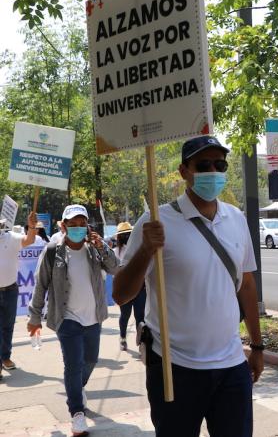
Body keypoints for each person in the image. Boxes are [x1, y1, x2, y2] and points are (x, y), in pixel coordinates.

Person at [113, 135, 264, 437]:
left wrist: (257, 346)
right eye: (202, 164)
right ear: (184, 171)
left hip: (231, 366)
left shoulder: (235, 218)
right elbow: (121, 294)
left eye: (219, 164)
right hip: (174, 368)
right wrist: (145, 249)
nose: (212, 171)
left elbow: (246, 285)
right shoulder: (156, 220)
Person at [28, 204, 118, 436]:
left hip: (93, 318)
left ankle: (78, 388)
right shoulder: (52, 251)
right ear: (63, 225)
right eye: (72, 224)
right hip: (67, 319)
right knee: (73, 365)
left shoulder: (94, 249)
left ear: (87, 226)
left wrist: (103, 247)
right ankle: (77, 413)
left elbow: (116, 269)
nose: (78, 228)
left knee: (90, 360)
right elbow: (41, 285)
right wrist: (34, 316)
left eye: (82, 224)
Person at [0, 213, 37, 378]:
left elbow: (29, 240)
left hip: (10, 290)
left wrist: (32, 226)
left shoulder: (12, 237)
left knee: (8, 326)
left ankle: (5, 357)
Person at [113, 222, 146, 351]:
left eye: (129, 234)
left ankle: (141, 343)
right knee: (125, 315)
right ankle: (122, 338)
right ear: (119, 237)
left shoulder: (139, 248)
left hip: (140, 287)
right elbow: (115, 270)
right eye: (123, 235)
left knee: (140, 316)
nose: (126, 236)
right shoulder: (116, 252)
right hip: (125, 289)